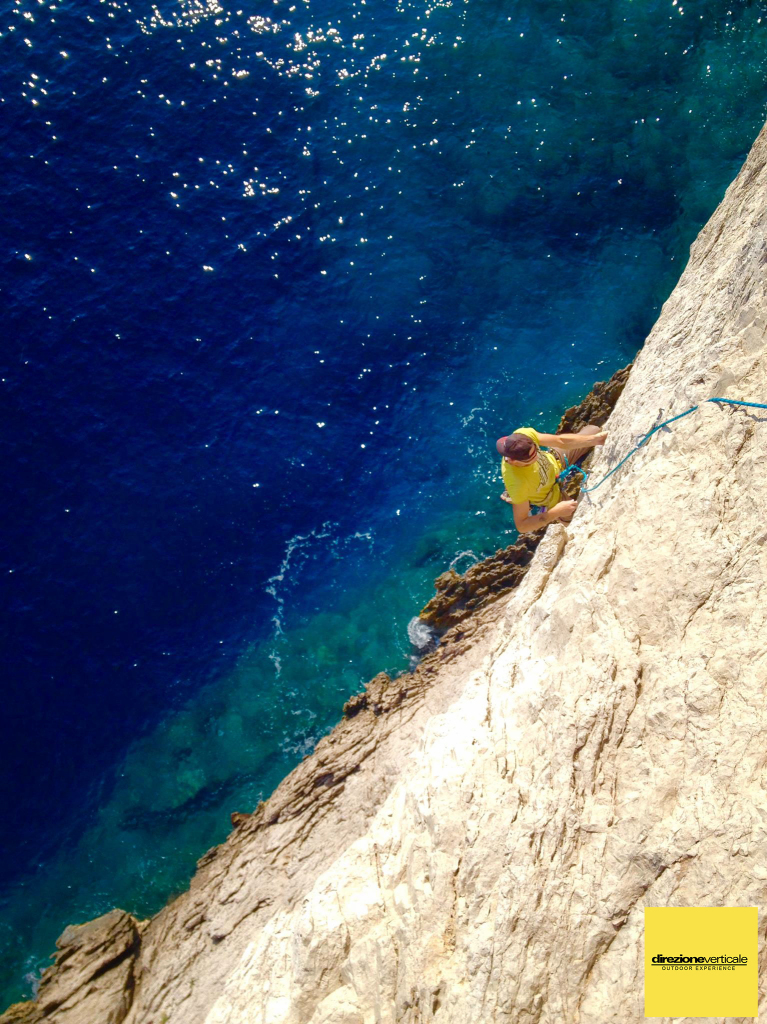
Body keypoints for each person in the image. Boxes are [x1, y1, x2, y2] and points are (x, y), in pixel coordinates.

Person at [496, 425, 607, 534]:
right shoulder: (518, 484)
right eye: (532, 457)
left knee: (594, 430)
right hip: (550, 495)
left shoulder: (522, 436)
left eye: (536, 451)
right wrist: (556, 511)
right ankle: (526, 500)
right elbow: (522, 525)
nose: (537, 456)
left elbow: (560, 441)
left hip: (555, 461)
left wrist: (596, 439)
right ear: (513, 461)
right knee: (580, 520)